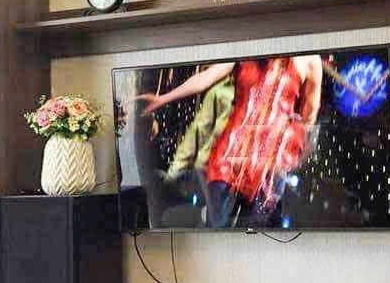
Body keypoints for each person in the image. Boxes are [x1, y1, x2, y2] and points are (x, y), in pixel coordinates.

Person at [138, 55, 322, 227]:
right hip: (229, 158)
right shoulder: (247, 49)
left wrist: (290, 151)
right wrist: (163, 99)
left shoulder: (309, 59)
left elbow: (309, 116)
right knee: (217, 227)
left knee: (254, 233)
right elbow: (207, 77)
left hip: (268, 167)